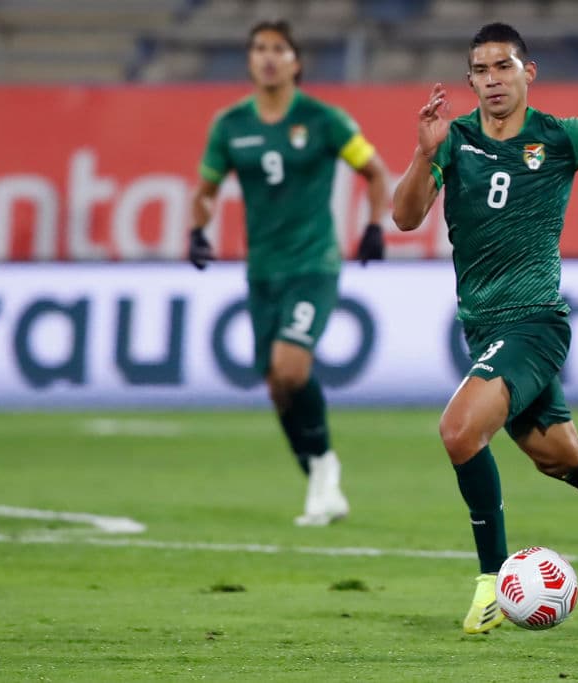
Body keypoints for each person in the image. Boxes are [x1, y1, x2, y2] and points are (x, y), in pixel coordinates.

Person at [392, 22, 578, 635]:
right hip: (484, 329)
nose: (493, 80)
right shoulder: (454, 141)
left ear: (529, 72)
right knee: (560, 455)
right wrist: (423, 153)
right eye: (481, 70)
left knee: (458, 431)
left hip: (535, 324)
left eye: (503, 66)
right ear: (470, 80)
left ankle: (490, 582)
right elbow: (405, 216)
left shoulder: (560, 136)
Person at [187, 20, 389, 526]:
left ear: (296, 62)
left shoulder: (324, 120)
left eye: (278, 49)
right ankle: (319, 473)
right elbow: (206, 190)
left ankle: (325, 470)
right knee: (277, 385)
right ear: (249, 60)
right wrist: (197, 229)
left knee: (292, 367)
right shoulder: (230, 125)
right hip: (263, 272)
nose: (268, 57)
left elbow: (374, 171)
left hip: (313, 264)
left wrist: (373, 225)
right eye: (259, 48)